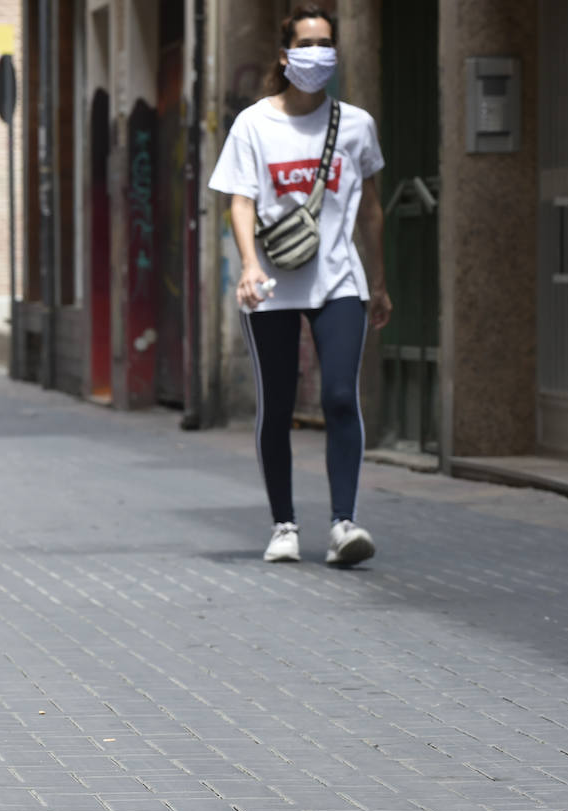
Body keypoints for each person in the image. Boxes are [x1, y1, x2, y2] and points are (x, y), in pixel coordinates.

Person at [207, 4, 392, 566]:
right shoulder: (254, 124)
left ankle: (343, 524)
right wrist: (248, 265)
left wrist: (378, 282)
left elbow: (372, 210)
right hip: (271, 286)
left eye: (326, 44)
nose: (318, 54)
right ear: (285, 56)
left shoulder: (356, 124)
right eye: (307, 44)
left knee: (340, 397)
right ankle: (284, 524)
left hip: (339, 279)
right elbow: (240, 200)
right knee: (278, 403)